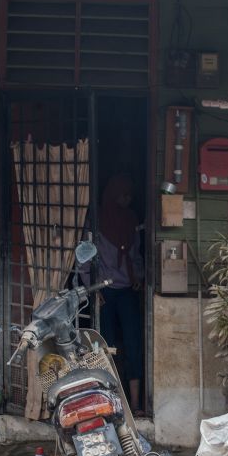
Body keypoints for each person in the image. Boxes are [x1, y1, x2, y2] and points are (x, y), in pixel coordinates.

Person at [90, 173, 145, 413]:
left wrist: (139, 277)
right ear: (113, 194)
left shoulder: (132, 219)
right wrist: (92, 288)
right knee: (106, 346)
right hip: (105, 292)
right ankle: (111, 403)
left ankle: (134, 403)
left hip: (127, 291)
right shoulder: (97, 221)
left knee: (133, 344)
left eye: (130, 195)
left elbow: (137, 254)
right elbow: (86, 257)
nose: (127, 199)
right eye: (123, 194)